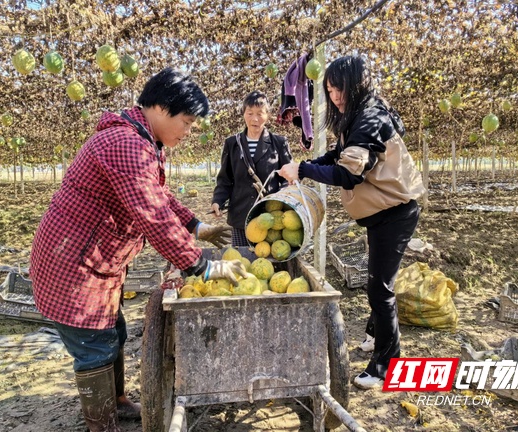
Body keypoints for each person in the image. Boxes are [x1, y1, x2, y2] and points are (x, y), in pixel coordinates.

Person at [30, 68, 247, 432]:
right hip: (73, 265)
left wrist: (197, 225)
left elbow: (159, 197)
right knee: (94, 347)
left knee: (112, 332)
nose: (190, 131)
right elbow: (153, 215)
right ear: (161, 108)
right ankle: (103, 424)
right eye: (188, 121)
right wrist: (202, 267)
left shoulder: (144, 142)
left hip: (94, 261)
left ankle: (116, 401)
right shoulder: (126, 144)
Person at [277, 56, 426, 390]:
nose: (334, 96)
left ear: (355, 84)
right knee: (379, 280)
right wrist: (307, 164)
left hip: (396, 213)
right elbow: (337, 158)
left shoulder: (371, 118)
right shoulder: (356, 117)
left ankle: (388, 364)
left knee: (379, 286)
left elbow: (347, 174)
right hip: (382, 214)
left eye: (338, 88)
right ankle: (379, 335)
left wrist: (302, 171)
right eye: (328, 90)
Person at [211, 91, 293, 245]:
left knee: (269, 262)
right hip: (241, 216)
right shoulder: (232, 144)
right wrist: (218, 201)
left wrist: (280, 198)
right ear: (244, 114)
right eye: (250, 113)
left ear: (267, 115)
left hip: (270, 218)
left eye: (260, 113)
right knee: (242, 262)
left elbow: (289, 178)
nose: (254, 119)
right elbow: (225, 180)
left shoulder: (279, 143)